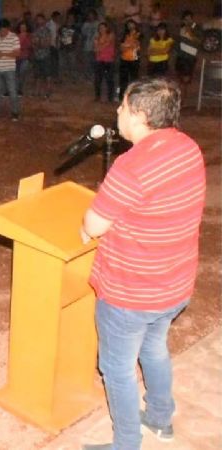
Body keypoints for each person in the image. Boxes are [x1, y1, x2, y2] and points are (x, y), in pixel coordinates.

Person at [80, 78, 205, 450]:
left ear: (139, 115)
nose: (117, 112)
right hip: (173, 285)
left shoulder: (132, 164)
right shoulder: (187, 147)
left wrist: (90, 223)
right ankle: (159, 418)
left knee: (116, 369)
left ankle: (126, 444)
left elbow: (94, 224)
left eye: (121, 106)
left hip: (132, 292)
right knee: (153, 349)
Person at [0, 19, 21, 121]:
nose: (3, 33)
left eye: (5, 31)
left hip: (9, 68)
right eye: (1, 31)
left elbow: (17, 53)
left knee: (12, 90)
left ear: (8, 29)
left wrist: (3, 54)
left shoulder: (13, 37)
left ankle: (15, 112)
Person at [175, 10, 201, 97]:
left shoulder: (196, 27)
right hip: (181, 56)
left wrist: (190, 34)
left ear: (192, 19)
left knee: (186, 79)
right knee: (180, 79)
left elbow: (199, 41)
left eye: (189, 19)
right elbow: (178, 42)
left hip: (190, 57)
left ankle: (184, 99)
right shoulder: (181, 28)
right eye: (185, 19)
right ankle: (180, 98)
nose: (187, 21)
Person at [32, 14, 54, 99]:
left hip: (45, 55)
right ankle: (37, 92)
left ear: (44, 21)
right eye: (38, 20)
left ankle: (48, 91)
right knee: (37, 75)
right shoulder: (35, 31)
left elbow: (46, 43)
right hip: (37, 56)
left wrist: (38, 43)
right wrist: (39, 43)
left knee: (47, 75)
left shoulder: (47, 31)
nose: (39, 21)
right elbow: (34, 44)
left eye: (41, 19)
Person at [119, 20, 142, 98]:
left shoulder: (138, 34)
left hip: (134, 59)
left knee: (134, 79)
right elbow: (121, 48)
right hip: (124, 59)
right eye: (129, 25)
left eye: (132, 25)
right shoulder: (124, 35)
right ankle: (122, 96)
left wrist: (127, 46)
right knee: (123, 79)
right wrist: (128, 46)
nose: (130, 27)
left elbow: (136, 46)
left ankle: (134, 96)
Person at [94, 22, 116, 102]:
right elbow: (96, 49)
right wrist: (99, 47)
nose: (101, 29)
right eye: (100, 28)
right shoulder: (98, 37)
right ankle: (97, 96)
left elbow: (102, 46)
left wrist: (99, 47)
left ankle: (110, 97)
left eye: (103, 27)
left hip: (108, 60)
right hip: (100, 60)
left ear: (107, 28)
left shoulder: (110, 35)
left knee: (109, 79)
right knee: (98, 79)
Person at [81, 10, 100, 81]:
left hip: (96, 47)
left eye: (92, 15)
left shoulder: (98, 24)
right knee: (87, 63)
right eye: (89, 15)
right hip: (87, 46)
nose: (90, 17)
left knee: (95, 63)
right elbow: (83, 35)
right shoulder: (85, 24)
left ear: (95, 16)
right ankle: (88, 77)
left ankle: (95, 77)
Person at [16, 21, 33, 97]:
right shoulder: (16, 36)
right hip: (17, 57)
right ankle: (16, 89)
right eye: (21, 27)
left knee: (22, 74)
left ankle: (20, 89)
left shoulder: (29, 36)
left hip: (25, 57)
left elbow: (30, 45)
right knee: (17, 74)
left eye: (24, 27)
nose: (23, 28)